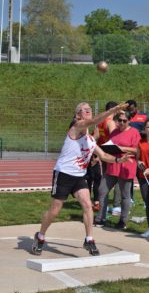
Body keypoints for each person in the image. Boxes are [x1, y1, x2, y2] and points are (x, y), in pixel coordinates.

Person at [31, 101, 131, 256]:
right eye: (85, 110)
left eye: (90, 109)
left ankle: (89, 239)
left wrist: (119, 160)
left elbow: (103, 155)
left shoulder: (90, 140)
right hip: (63, 174)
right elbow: (93, 121)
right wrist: (113, 110)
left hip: (79, 176)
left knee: (87, 205)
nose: (88, 111)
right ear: (78, 114)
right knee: (55, 210)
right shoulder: (76, 127)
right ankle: (40, 236)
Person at [95, 110, 141, 229]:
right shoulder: (114, 131)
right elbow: (110, 145)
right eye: (119, 120)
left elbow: (137, 150)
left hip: (126, 167)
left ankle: (123, 221)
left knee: (125, 196)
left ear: (129, 121)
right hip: (113, 166)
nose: (121, 123)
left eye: (124, 121)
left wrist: (122, 148)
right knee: (102, 190)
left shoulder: (134, 132)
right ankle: (100, 218)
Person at [126, 99, 149, 204]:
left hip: (141, 150)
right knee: (128, 176)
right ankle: (130, 199)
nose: (131, 112)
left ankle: (147, 200)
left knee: (142, 176)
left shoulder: (145, 116)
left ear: (136, 108)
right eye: (129, 110)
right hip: (129, 151)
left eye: (132, 110)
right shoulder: (125, 117)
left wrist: (140, 133)